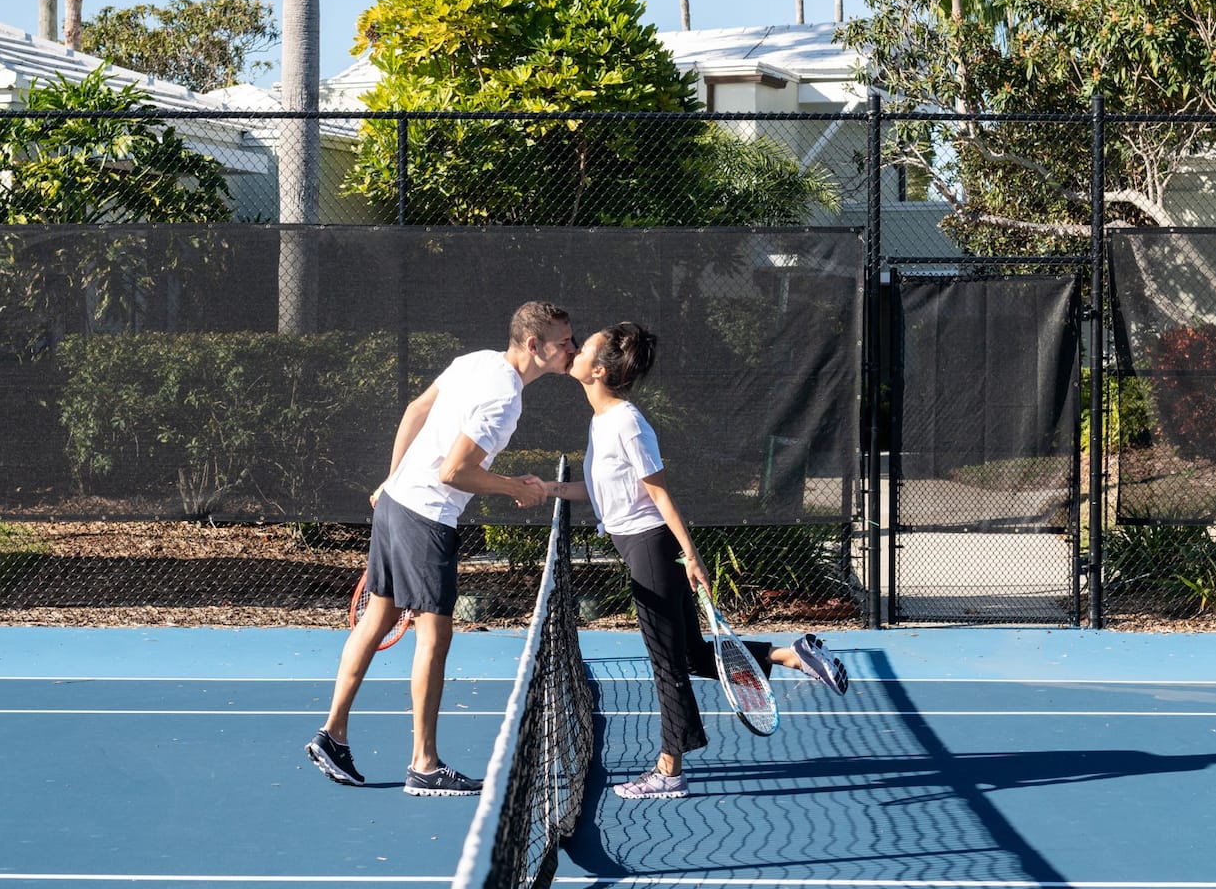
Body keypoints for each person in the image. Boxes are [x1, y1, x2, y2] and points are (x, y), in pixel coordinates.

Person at [545, 321, 849, 801]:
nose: (575, 349)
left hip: (651, 548)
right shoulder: (601, 420)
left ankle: (669, 770)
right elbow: (602, 491)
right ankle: (791, 653)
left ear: (598, 370)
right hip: (638, 545)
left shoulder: (626, 420)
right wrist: (548, 490)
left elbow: (659, 491)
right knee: (688, 655)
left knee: (666, 664)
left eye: (584, 347)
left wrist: (690, 554)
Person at [306, 301, 577, 797]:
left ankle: (333, 736)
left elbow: (415, 411)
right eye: (565, 341)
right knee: (435, 638)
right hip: (426, 516)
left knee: (378, 619)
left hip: (397, 504)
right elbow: (454, 472)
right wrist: (513, 486)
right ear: (535, 345)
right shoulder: (505, 399)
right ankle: (425, 765)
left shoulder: (475, 361)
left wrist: (390, 479)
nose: (572, 349)